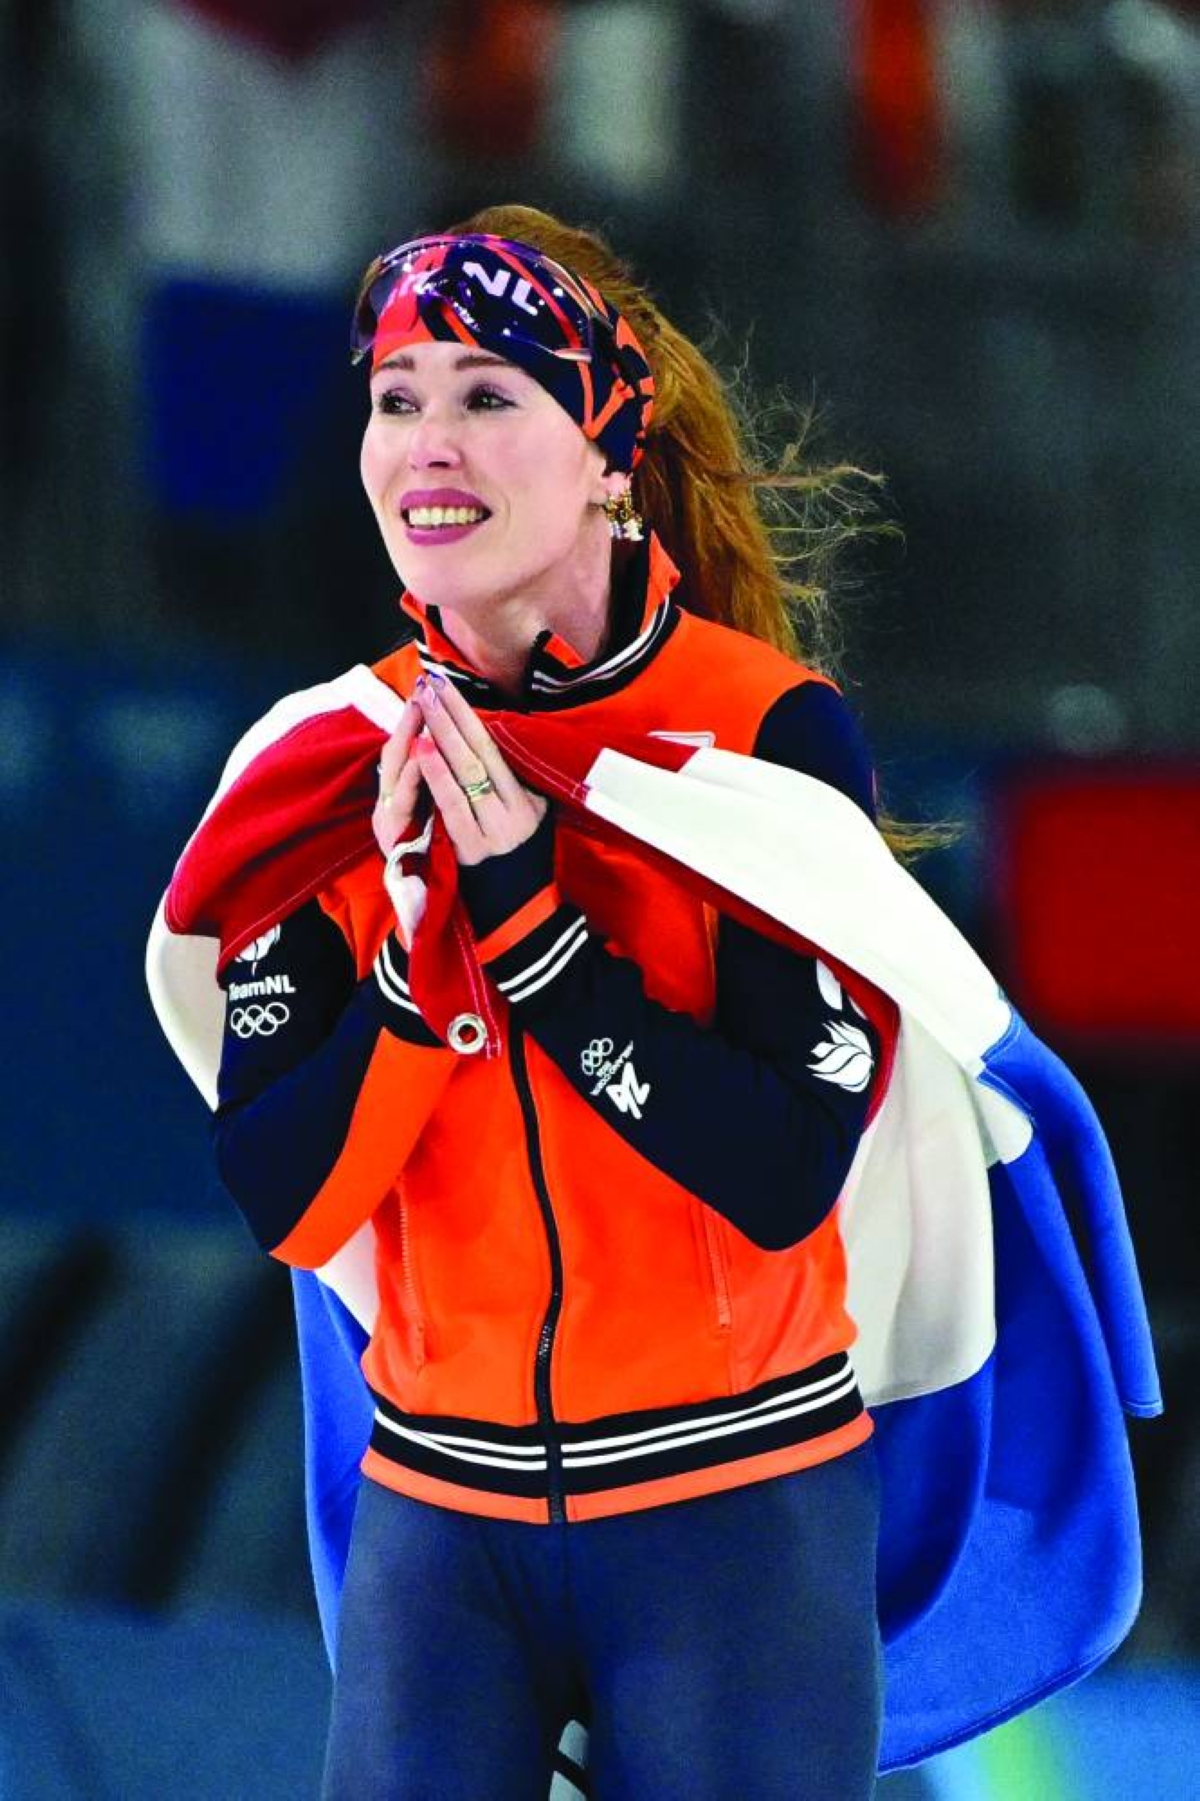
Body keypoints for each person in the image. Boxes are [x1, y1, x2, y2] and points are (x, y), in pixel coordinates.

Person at [148, 205, 1159, 1798]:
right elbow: (287, 1191)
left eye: (491, 393)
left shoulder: (757, 740)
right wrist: (419, 969)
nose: (430, 436)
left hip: (733, 1524)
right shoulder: (324, 771)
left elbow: (775, 1175)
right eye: (397, 393)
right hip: (445, 1525)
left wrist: (535, 930)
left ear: (610, 451)